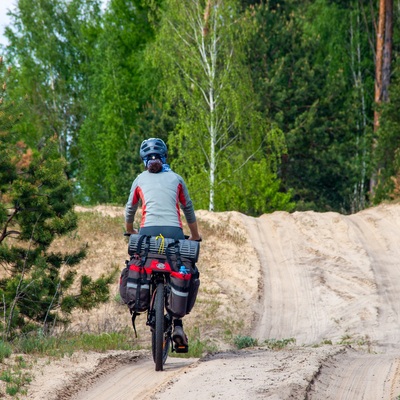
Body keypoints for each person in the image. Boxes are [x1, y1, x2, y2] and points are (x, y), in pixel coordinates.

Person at [125, 137, 201, 349]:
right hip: (174, 234)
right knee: (181, 269)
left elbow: (130, 209)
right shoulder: (176, 179)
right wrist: (194, 235)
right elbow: (188, 209)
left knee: (144, 264)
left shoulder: (140, 179)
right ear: (165, 157)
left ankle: (149, 301)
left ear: (144, 160)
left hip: (147, 235)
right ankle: (177, 323)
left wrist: (130, 231)